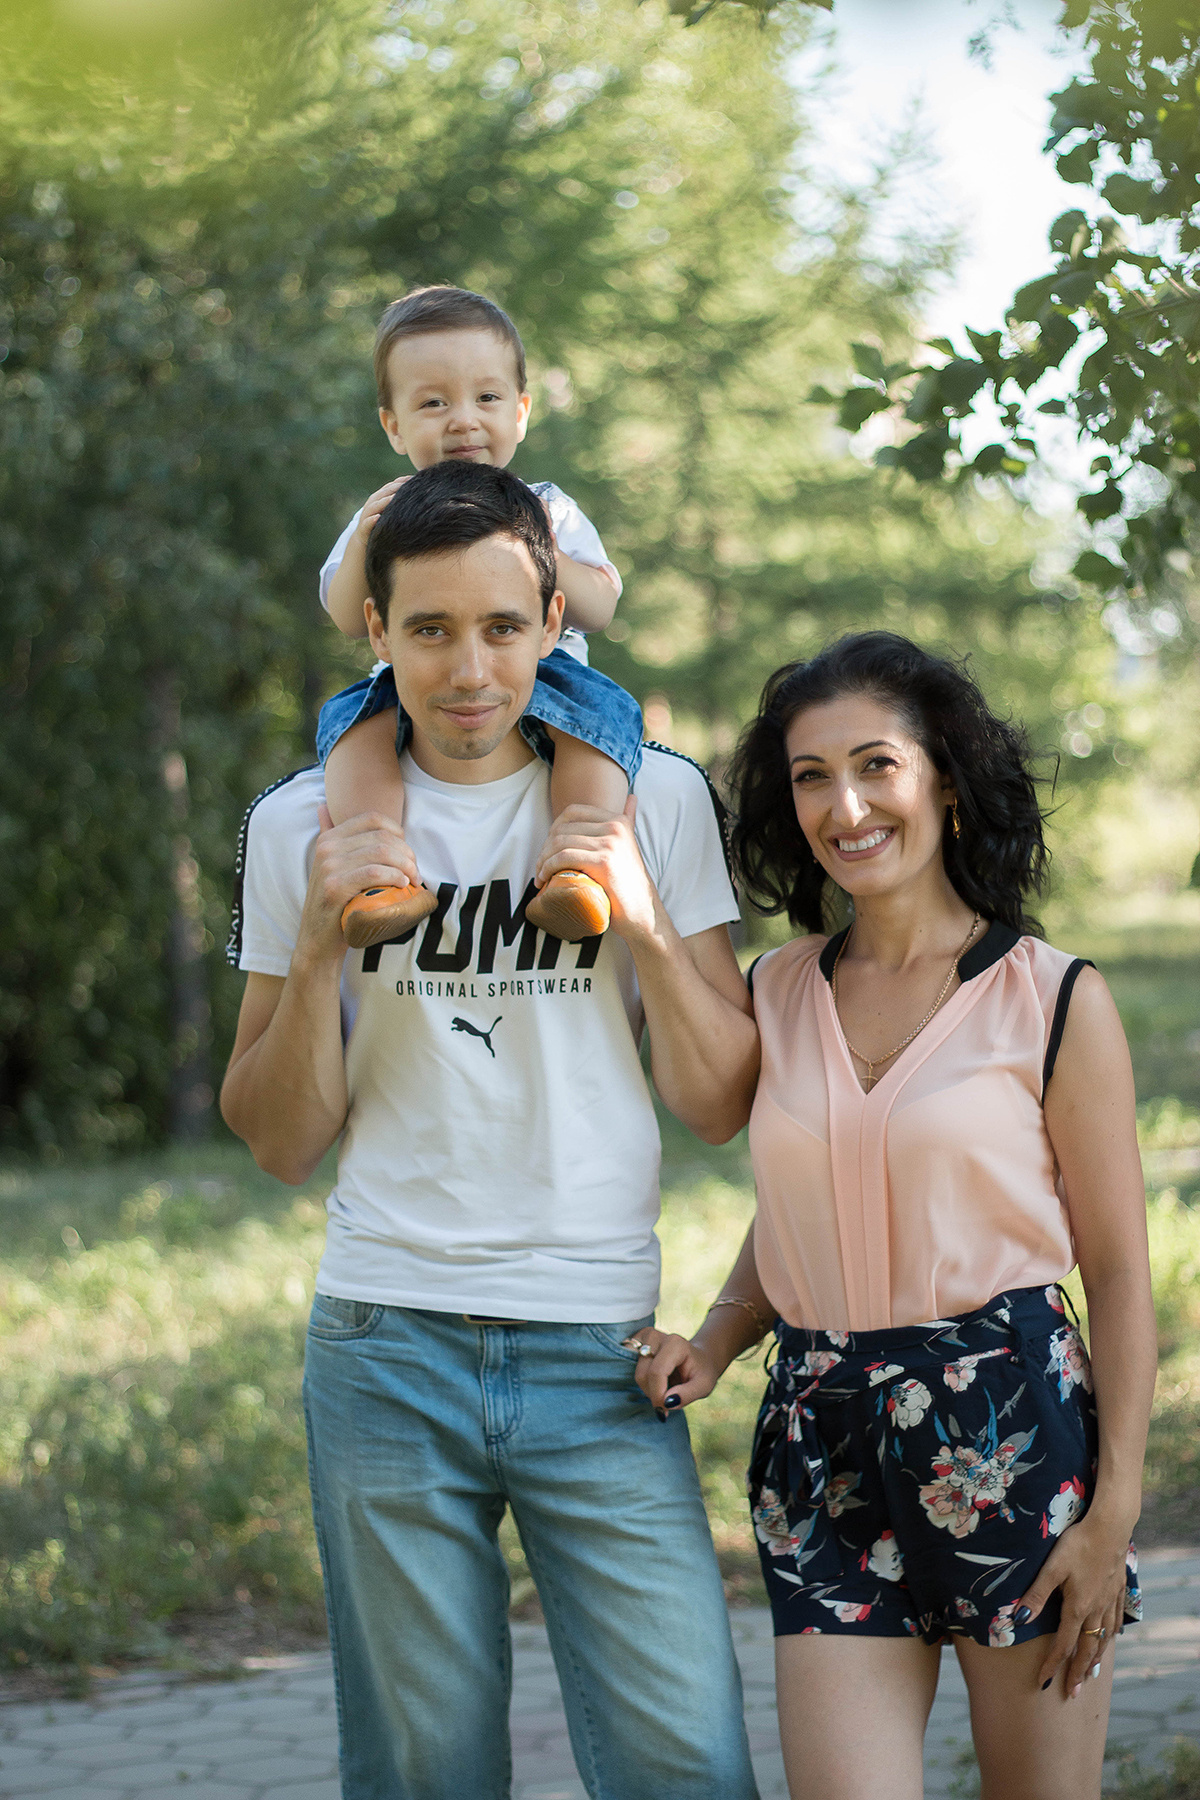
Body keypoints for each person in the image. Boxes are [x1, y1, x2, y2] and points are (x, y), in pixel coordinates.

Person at [220, 460, 762, 1800]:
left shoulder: (652, 797)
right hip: (385, 1345)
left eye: (504, 629)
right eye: (431, 631)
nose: (471, 670)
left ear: (553, 625)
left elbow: (716, 1104)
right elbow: (281, 1140)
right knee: (421, 1775)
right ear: (378, 634)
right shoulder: (305, 824)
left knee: (684, 1761)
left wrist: (635, 916)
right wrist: (313, 941)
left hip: (600, 1355)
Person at [630, 633, 1155, 1800]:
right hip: (820, 1442)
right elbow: (801, 1212)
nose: (846, 804)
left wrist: (1113, 1514)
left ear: (946, 781)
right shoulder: (777, 987)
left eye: (876, 765)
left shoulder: (1054, 997)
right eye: (812, 776)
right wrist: (713, 1342)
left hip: (1010, 1434)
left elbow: (1118, 1268)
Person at [318, 283, 642, 949]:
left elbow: (602, 607)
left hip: (547, 675)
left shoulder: (549, 507)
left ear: (521, 412)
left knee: (601, 729)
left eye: (486, 398)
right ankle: (380, 874)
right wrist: (361, 545)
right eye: (434, 402)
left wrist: (542, 550)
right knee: (351, 730)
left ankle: (575, 871)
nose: (463, 420)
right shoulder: (386, 512)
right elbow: (349, 616)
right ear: (394, 424)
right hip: (422, 681)